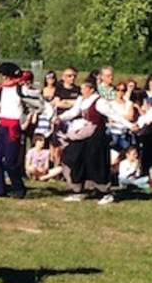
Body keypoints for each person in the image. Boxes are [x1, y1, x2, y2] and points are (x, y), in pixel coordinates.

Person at [57, 77, 133, 205]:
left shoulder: (99, 102)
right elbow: (73, 112)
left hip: (96, 137)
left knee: (95, 162)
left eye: (83, 88)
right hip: (83, 134)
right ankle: (78, 189)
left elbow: (114, 115)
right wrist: (60, 117)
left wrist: (130, 125)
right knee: (74, 158)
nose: (81, 90)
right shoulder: (81, 100)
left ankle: (105, 192)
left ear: (91, 89)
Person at [0, 63, 42, 198]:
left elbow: (38, 99)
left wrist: (37, 109)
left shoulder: (20, 90)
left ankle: (19, 188)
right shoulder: (0, 91)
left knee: (10, 162)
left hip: (14, 127)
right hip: (2, 126)